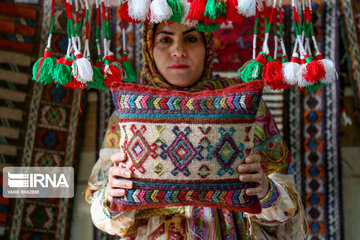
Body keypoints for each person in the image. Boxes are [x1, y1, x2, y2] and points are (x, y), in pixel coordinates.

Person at [86, 22, 308, 239]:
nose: (178, 51)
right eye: (165, 40)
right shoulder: (128, 115)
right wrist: (112, 194)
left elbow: (287, 209)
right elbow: (102, 216)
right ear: (149, 48)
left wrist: (265, 190)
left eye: (191, 39)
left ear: (208, 47)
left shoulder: (246, 108)